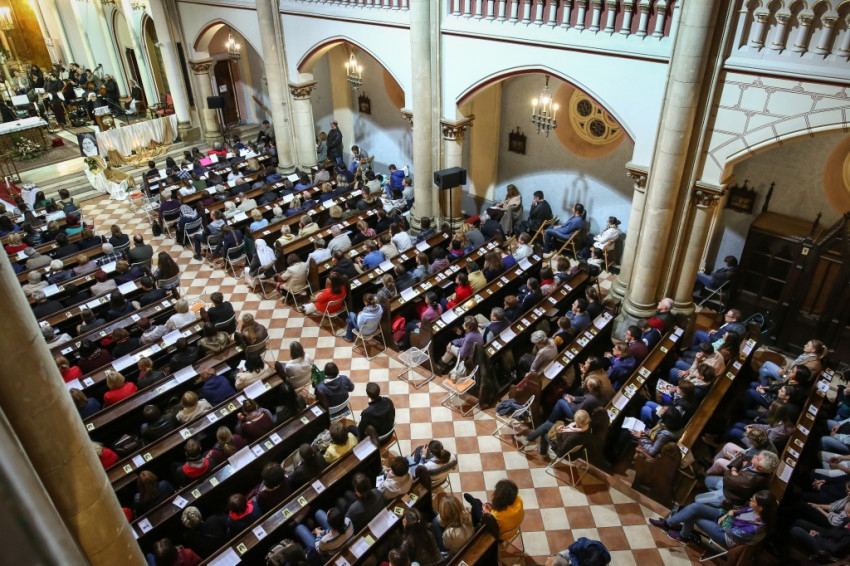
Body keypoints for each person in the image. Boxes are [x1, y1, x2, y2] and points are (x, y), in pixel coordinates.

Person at [649, 490, 777, 548]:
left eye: (753, 500)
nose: (750, 500)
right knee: (696, 507)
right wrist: (728, 514)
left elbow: (731, 532)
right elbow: (735, 512)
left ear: (760, 507)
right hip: (727, 520)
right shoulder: (752, 509)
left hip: (727, 536)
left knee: (694, 516)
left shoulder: (756, 527)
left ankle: (683, 535)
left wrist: (728, 517)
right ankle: (668, 523)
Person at [757, 338, 824, 385]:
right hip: (787, 373)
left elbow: (798, 381)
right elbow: (794, 364)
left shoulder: (813, 365)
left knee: (767, 363)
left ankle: (765, 387)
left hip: (788, 379)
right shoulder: (807, 355)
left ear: (813, 350)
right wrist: (784, 369)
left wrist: (781, 381)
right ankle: (763, 387)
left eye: (807, 345)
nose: (805, 345)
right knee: (763, 371)